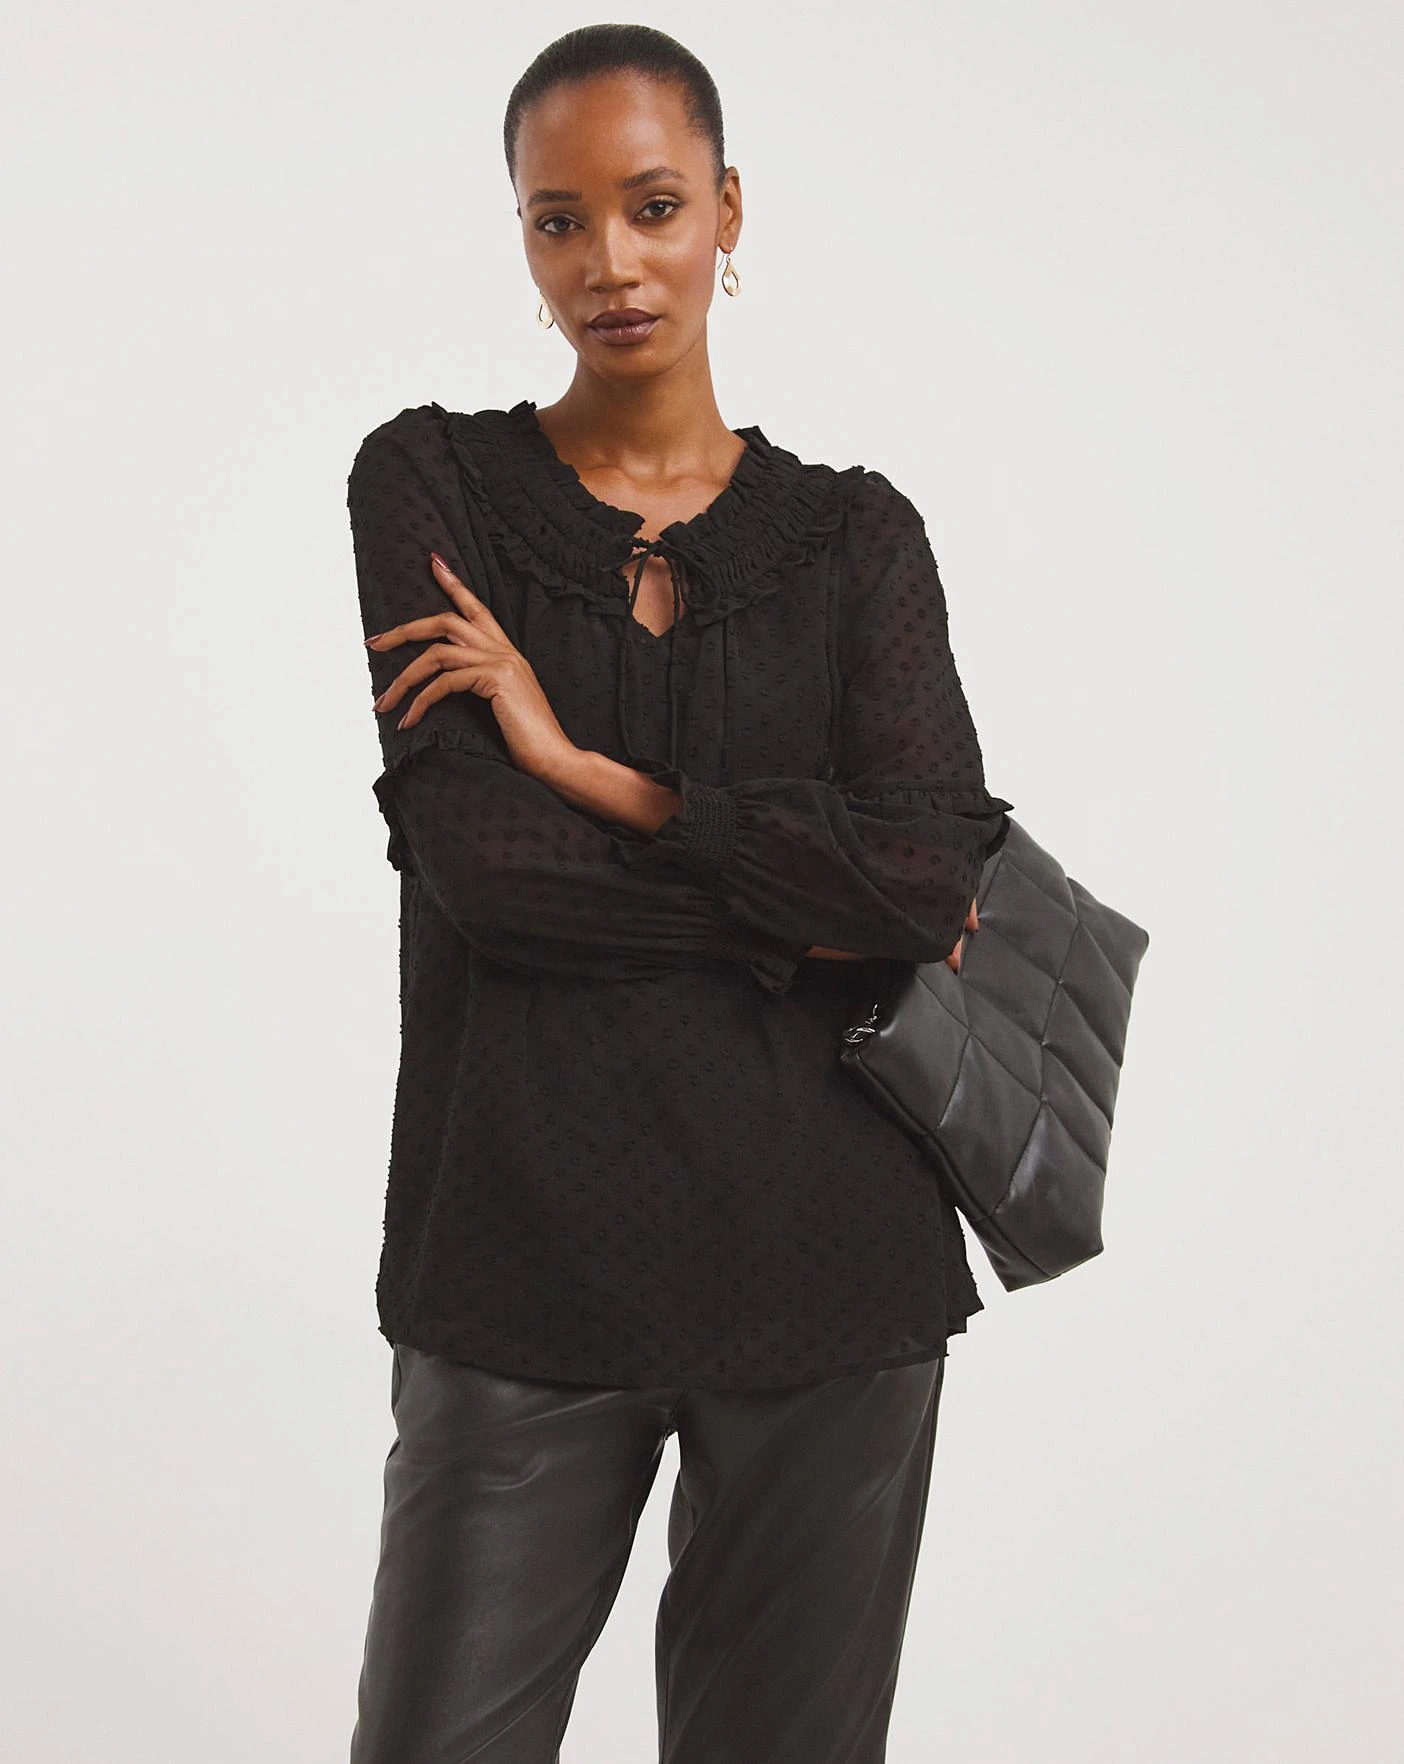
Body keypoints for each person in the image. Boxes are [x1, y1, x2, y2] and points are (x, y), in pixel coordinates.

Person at [345, 24, 1013, 1764]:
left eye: (653, 207)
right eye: (559, 220)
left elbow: (933, 873)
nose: (612, 263)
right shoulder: (433, 486)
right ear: (520, 235)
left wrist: (595, 776)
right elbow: (489, 878)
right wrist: (821, 911)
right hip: (519, 1265)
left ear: (728, 209)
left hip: (830, 1268)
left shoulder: (857, 539)